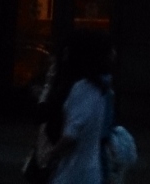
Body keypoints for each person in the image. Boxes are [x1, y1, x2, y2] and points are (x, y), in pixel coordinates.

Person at [47, 31, 114, 184]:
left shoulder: (82, 89)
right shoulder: (102, 88)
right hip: (92, 170)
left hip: (73, 171)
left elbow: (71, 135)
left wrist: (52, 154)